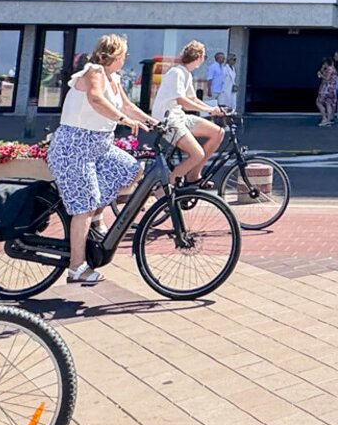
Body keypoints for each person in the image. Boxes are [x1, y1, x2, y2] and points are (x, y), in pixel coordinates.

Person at [47, 34, 158, 288]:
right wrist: (123, 120)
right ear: (115, 55)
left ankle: (97, 216)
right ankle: (76, 267)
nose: (125, 59)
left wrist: (154, 123)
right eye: (124, 55)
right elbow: (96, 99)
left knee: (131, 169)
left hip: (100, 146)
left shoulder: (114, 78)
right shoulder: (93, 72)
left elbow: (128, 106)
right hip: (75, 146)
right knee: (84, 206)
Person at [156, 41, 226, 185]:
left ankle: (194, 175)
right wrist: (208, 110)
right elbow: (182, 101)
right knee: (197, 153)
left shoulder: (185, 73)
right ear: (199, 56)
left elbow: (192, 98)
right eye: (204, 56)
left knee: (218, 132)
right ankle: (165, 190)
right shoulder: (176, 72)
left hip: (179, 117)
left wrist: (214, 109)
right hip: (168, 120)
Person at [315, 54, 338, 126]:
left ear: (326, 63)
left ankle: (324, 117)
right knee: (328, 103)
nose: (323, 64)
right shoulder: (333, 68)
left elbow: (327, 78)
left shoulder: (329, 69)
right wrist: (322, 70)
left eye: (324, 63)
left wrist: (321, 75)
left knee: (318, 102)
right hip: (332, 89)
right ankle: (328, 119)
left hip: (326, 89)